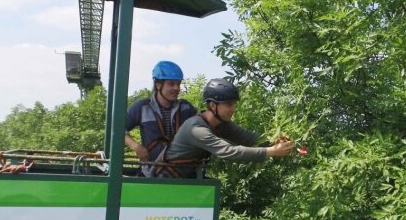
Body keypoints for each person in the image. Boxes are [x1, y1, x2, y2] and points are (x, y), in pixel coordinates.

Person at [153, 78, 294, 178]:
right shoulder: (195, 129)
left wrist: (276, 141)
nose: (233, 109)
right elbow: (229, 152)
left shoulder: (221, 125)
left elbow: (249, 138)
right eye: (228, 105)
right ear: (213, 106)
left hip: (186, 182)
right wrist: (271, 151)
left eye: (234, 104)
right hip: (162, 181)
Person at [125, 61, 197, 176]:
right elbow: (118, 129)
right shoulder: (142, 107)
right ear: (158, 84)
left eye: (178, 84)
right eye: (171, 84)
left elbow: (203, 126)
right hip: (151, 174)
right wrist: (136, 147)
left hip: (182, 175)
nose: (176, 88)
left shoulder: (186, 108)